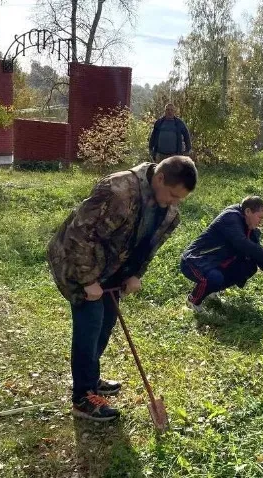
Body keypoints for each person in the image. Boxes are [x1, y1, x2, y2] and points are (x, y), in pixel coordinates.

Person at [47, 156, 198, 422]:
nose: (174, 202)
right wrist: (86, 280)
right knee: (90, 325)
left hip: (111, 270)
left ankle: (91, 378)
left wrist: (135, 274)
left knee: (106, 323)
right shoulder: (117, 190)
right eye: (172, 194)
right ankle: (83, 397)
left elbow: (149, 247)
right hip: (77, 263)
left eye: (180, 199)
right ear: (159, 178)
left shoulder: (169, 213)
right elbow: (79, 235)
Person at [180, 196, 263, 313]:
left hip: (214, 260)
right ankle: (193, 301)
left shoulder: (249, 227)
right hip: (195, 260)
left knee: (248, 266)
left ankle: (211, 291)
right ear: (248, 212)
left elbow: (256, 255)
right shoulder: (230, 217)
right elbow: (241, 242)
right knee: (214, 278)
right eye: (260, 217)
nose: (261, 221)